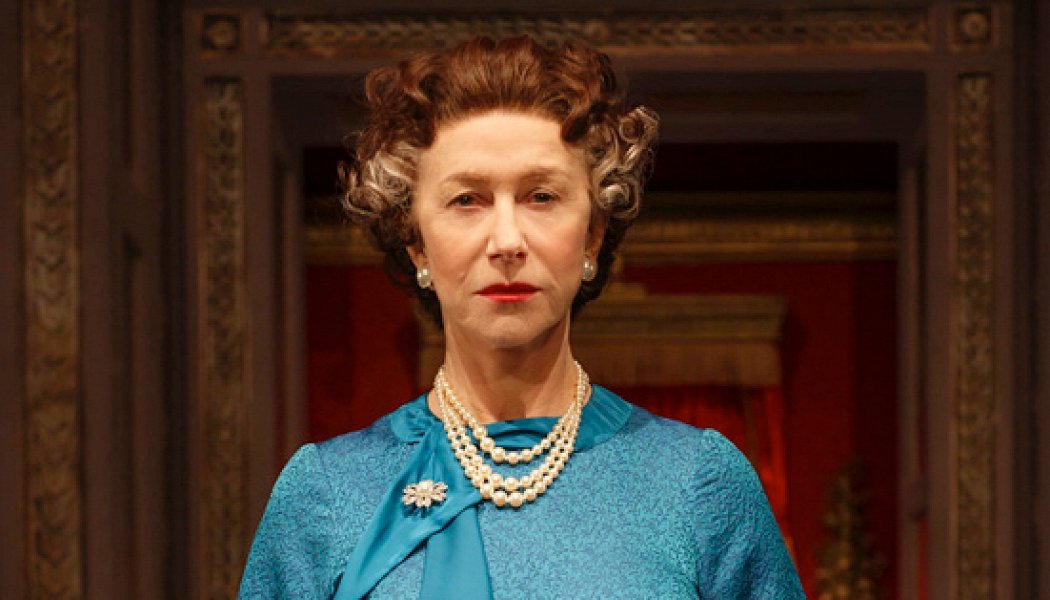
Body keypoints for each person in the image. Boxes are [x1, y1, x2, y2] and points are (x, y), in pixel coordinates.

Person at [238, 36, 804, 599]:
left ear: (593, 234)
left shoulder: (696, 482)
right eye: (467, 200)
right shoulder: (325, 493)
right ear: (416, 243)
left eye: (541, 197)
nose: (507, 241)